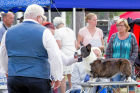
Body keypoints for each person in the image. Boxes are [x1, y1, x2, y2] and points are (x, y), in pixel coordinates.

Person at [0, 4, 64, 93]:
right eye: (42, 17)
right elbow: (55, 55)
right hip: (38, 78)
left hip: (15, 77)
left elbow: (3, 54)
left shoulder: (8, 32)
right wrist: (57, 76)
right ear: (38, 17)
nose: (42, 20)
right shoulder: (44, 32)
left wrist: (6, 71)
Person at [106, 18, 138, 93]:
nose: (118, 27)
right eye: (117, 25)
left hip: (128, 66)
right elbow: (108, 50)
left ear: (126, 26)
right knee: (115, 86)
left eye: (121, 25)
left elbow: (135, 51)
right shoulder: (113, 36)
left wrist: (130, 63)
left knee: (131, 86)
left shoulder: (132, 36)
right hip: (115, 67)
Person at [53, 17, 77, 93]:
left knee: (62, 77)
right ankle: (74, 91)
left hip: (63, 55)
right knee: (71, 78)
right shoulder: (71, 31)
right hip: (72, 55)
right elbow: (75, 44)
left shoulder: (57, 32)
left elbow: (58, 45)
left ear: (56, 25)